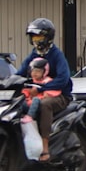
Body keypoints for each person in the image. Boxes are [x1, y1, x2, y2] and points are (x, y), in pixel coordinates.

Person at [16, 18, 73, 162]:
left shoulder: (57, 55)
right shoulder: (34, 55)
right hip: (36, 95)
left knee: (44, 105)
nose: (36, 40)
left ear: (48, 37)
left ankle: (45, 146)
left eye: (39, 37)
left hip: (59, 96)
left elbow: (63, 78)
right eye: (34, 37)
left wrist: (42, 88)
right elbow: (21, 73)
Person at [20, 57, 55, 124]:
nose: (35, 73)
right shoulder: (30, 81)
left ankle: (30, 116)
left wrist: (43, 96)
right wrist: (25, 95)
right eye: (33, 71)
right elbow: (24, 91)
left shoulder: (47, 81)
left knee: (36, 99)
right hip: (28, 103)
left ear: (45, 72)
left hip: (39, 104)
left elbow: (50, 91)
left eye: (38, 71)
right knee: (19, 101)